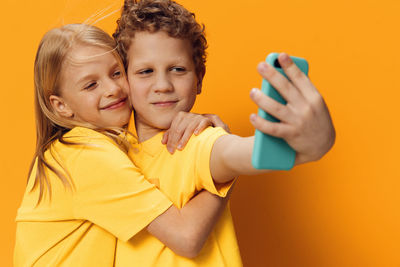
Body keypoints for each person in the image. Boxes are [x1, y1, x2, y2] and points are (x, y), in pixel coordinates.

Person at [111, 0, 335, 266]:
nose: (162, 85)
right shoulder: (110, 154)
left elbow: (241, 153)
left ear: (199, 78)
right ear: (123, 79)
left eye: (178, 69)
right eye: (145, 71)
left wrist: (311, 144)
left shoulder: (197, 141)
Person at [14, 23, 236, 267]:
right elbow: (186, 237)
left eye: (116, 73)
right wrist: (222, 172)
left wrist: (202, 138)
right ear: (61, 106)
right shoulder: (84, 154)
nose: (113, 89)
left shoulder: (103, 147)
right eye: (91, 85)